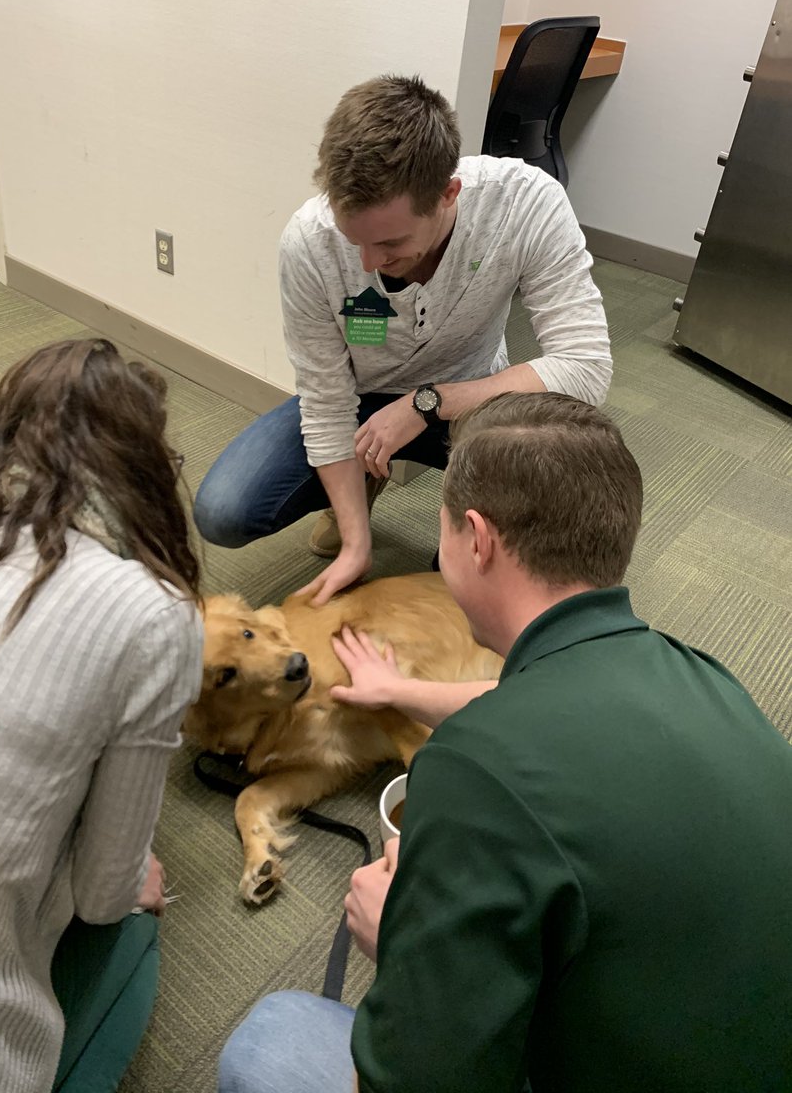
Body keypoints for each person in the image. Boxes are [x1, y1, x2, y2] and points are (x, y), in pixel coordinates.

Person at [218, 392, 792, 1093]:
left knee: (267, 1042)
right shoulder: (706, 677)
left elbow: (413, 1078)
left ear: (478, 540)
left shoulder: (473, 770)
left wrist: (396, 934)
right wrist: (404, 693)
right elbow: (530, 700)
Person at [0, 338, 203, 1092]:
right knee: (136, 917)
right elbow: (104, 896)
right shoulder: (154, 615)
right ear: (147, 467)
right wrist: (125, 871)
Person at [193, 75, 612, 606]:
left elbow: (587, 367)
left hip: (473, 397)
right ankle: (356, 491)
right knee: (224, 511)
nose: (369, 264)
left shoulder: (524, 204)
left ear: (448, 194)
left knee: (465, 580)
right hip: (360, 397)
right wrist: (355, 544)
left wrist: (426, 403)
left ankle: (430, 494)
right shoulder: (308, 242)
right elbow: (325, 400)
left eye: (390, 242)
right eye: (355, 241)